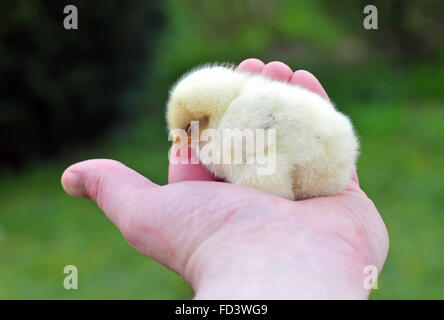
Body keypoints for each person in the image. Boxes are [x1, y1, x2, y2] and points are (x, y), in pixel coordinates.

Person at [61, 58, 389, 299]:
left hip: (315, 171)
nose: (183, 141)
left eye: (187, 130)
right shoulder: (250, 100)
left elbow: (265, 177)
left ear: (206, 115)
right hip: (332, 169)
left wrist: (267, 207)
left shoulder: (232, 127)